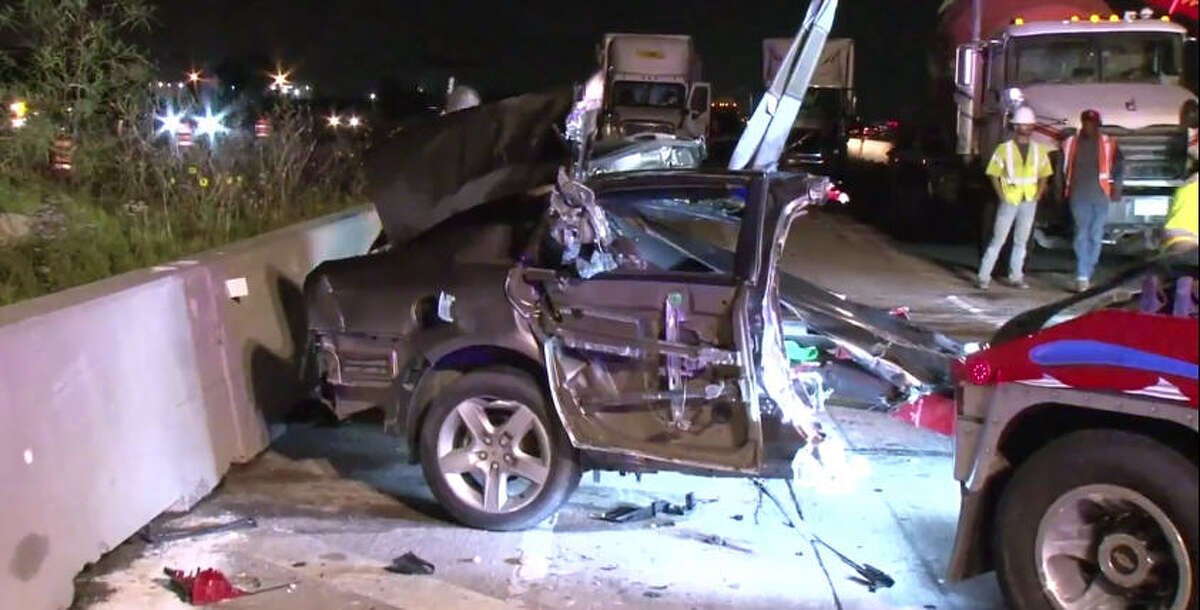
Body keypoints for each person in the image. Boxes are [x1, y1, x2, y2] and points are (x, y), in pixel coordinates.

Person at [977, 105, 1052, 290]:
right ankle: (983, 277)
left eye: (1027, 125)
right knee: (998, 239)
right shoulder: (1005, 149)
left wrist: (1038, 194)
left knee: (1021, 241)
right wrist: (1001, 195)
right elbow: (993, 173)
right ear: (1015, 126)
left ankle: (1016, 276)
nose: (1025, 128)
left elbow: (1045, 174)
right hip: (1010, 200)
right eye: (1022, 124)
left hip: (1028, 201)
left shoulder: (1039, 150)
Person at [1062, 109, 1123, 292]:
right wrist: (1059, 192)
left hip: (1100, 196)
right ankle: (1082, 276)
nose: (1089, 126)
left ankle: (1088, 271)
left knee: (1096, 235)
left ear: (1098, 125)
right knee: (1081, 233)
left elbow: (1120, 166)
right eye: (1086, 122)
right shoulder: (1070, 143)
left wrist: (1117, 188)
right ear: (1082, 123)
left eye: (1093, 123)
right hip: (1078, 195)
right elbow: (1060, 168)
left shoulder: (1108, 143)